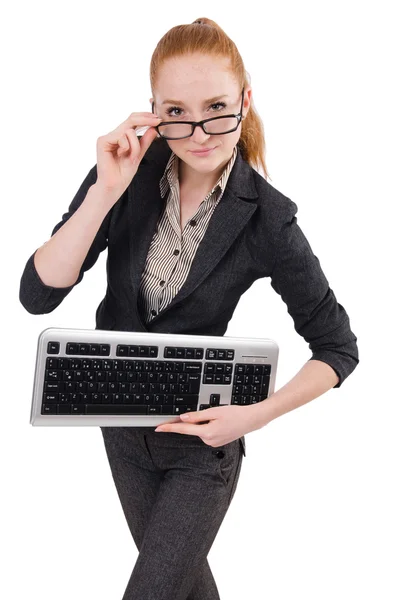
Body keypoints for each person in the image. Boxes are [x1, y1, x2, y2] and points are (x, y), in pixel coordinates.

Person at [19, 17, 359, 600]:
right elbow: (38, 293)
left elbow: (338, 348)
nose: (199, 131)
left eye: (217, 107)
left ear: (246, 102)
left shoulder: (267, 217)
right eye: (176, 112)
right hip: (121, 426)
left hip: (204, 445)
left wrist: (253, 416)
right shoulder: (128, 175)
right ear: (152, 110)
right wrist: (105, 190)